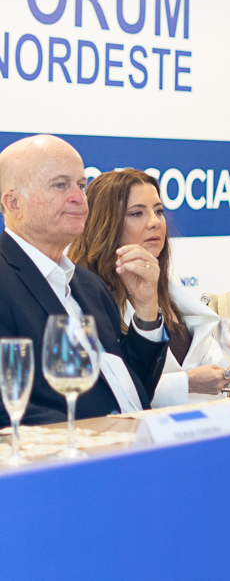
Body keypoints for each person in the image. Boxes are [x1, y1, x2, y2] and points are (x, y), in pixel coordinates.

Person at [0, 135, 167, 427]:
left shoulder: (89, 285)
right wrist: (98, 435)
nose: (78, 198)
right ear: (13, 203)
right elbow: (7, 409)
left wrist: (145, 310)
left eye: (80, 185)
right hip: (73, 451)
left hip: (137, 439)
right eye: (60, 185)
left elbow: (132, 386)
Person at [68, 169, 230, 407]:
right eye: (137, 213)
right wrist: (186, 383)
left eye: (158, 211)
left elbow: (206, 352)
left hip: (205, 419)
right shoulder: (83, 296)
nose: (155, 222)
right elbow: (104, 390)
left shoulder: (167, 291)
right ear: (104, 225)